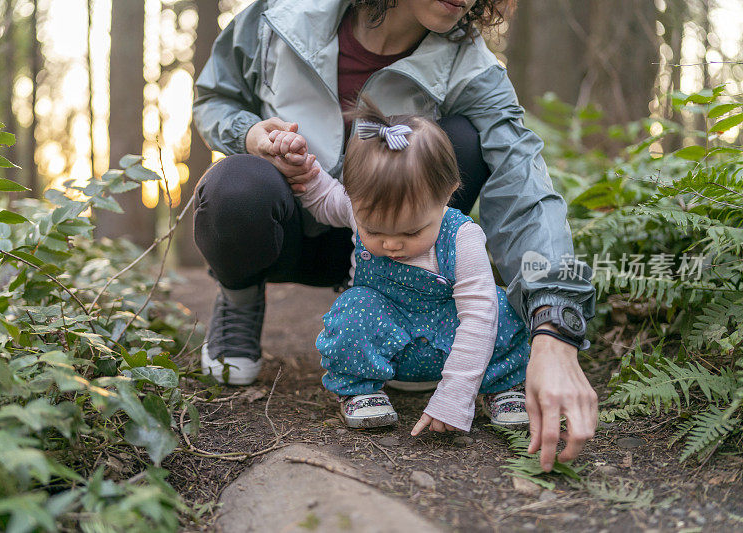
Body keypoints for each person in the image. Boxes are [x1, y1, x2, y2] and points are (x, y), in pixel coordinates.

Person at [192, 0, 597, 470]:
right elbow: (214, 98)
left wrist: (553, 328)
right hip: (290, 226)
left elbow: (523, 185)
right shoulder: (279, 15)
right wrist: (249, 133)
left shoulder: (471, 67)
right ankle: (240, 300)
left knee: (464, 139)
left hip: (400, 248)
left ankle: (402, 306)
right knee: (235, 187)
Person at [271, 101, 531, 431]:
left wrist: (455, 396)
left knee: (497, 307)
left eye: (411, 232)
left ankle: (500, 386)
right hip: (387, 341)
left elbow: (477, 316)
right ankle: (361, 389)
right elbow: (324, 199)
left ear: (447, 194)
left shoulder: (462, 238)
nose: (391, 244)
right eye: (374, 231)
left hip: (453, 342)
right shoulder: (357, 206)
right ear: (354, 200)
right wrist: (305, 170)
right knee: (353, 308)